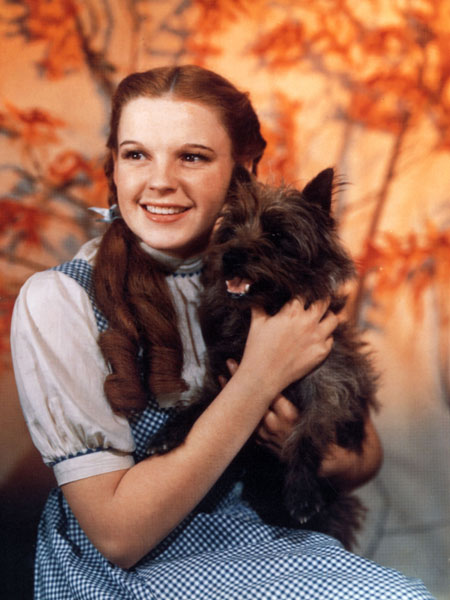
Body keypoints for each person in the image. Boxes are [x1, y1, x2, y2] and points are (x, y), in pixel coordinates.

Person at [11, 65, 434, 599]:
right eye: (136, 154)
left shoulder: (270, 276)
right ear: (113, 166)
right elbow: (118, 538)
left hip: (264, 536)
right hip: (130, 571)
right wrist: (259, 376)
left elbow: (363, 458)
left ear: (243, 170)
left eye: (192, 156)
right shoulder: (61, 300)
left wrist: (307, 450)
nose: (160, 180)